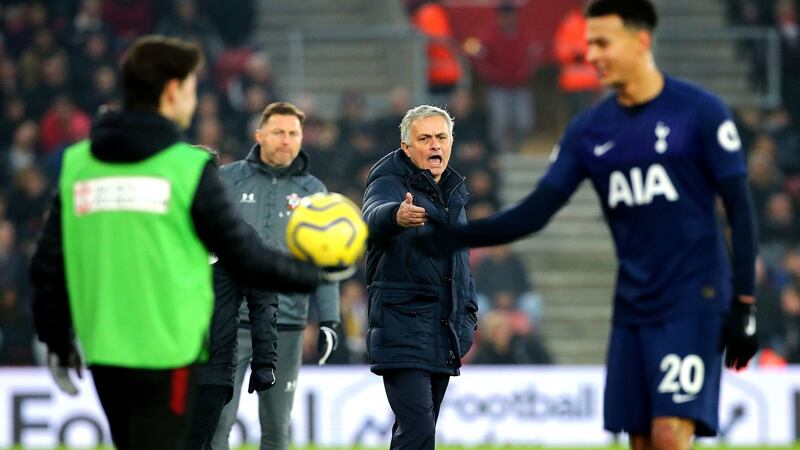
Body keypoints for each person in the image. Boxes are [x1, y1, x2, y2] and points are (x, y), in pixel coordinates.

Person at [421, 2, 759, 449]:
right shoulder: (589, 129)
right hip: (634, 302)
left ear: (641, 41)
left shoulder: (699, 112)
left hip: (695, 296)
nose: (592, 55)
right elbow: (536, 210)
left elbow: (740, 208)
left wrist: (745, 303)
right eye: (588, 44)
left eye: (603, 43)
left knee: (669, 434)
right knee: (638, 439)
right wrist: (460, 235)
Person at [29, 35, 346, 450]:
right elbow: (246, 255)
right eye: (193, 87)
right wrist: (316, 271)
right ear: (172, 90)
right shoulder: (186, 168)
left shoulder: (79, 162)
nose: (195, 99)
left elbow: (50, 261)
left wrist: (55, 333)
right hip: (172, 350)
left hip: (106, 345)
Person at [211, 102, 341, 450]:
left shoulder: (314, 190)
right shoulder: (226, 179)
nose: (286, 140)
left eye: (293, 133)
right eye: (279, 132)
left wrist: (329, 319)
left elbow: (326, 257)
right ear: (259, 135)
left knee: (277, 428)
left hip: (287, 321)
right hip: (229, 321)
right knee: (216, 423)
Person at [361, 104, 478, 450]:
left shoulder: (452, 194)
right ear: (406, 148)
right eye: (424, 138)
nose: (434, 146)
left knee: (416, 434)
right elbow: (369, 218)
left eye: (441, 137)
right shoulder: (388, 182)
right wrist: (394, 217)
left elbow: (461, 263)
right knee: (418, 433)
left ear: (451, 143)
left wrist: (468, 314)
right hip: (402, 327)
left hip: (442, 331)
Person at [471, 2, 543, 153]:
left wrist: (525, 73)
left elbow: (535, 55)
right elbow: (478, 57)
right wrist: (492, 75)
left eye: (510, 15)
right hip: (498, 87)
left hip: (520, 86)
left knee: (524, 122)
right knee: (499, 124)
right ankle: (502, 154)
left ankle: (515, 149)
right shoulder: (489, 34)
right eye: (504, 15)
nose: (507, 18)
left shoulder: (524, 34)